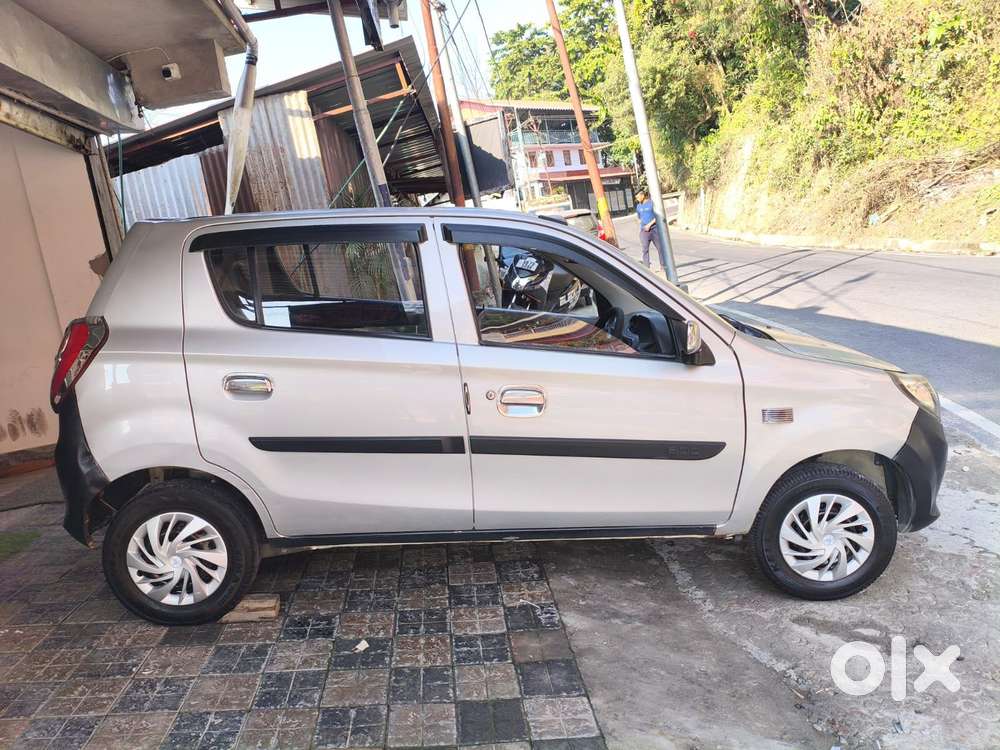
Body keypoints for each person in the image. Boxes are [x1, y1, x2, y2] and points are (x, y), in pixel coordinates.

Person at [635, 190, 666, 269]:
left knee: (660, 248)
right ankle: (647, 268)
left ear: (642, 195)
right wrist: (639, 221)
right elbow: (639, 217)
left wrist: (649, 224)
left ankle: (663, 265)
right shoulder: (638, 206)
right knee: (644, 249)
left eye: (638, 197)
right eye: (636, 198)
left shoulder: (651, 203)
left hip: (654, 229)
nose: (637, 199)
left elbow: (657, 216)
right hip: (644, 231)